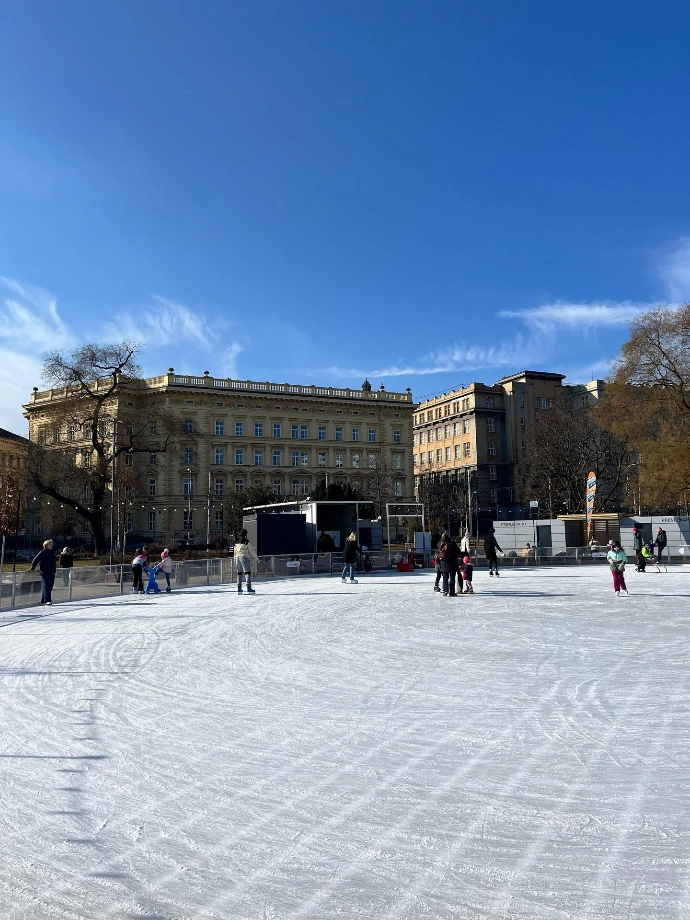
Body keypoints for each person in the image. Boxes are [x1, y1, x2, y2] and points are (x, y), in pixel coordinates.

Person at [30, 539, 57, 606]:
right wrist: (32, 567)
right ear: (46, 545)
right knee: (47, 586)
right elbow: (36, 559)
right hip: (45, 572)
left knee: (50, 586)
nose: (51, 546)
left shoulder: (52, 552)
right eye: (50, 544)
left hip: (52, 572)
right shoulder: (43, 552)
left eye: (52, 545)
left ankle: (43, 600)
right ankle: (47, 600)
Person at [436, 532, 460, 596]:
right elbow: (458, 552)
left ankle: (445, 591)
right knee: (452, 577)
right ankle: (452, 592)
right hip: (452, 563)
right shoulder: (452, 544)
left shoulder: (440, 544)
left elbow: (439, 554)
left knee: (445, 578)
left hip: (443, 563)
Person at [234, 529, 257, 594]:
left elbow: (235, 552)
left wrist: (235, 559)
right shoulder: (246, 541)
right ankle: (248, 588)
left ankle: (239, 588)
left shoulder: (236, 542)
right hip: (244, 557)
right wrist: (256, 558)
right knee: (247, 573)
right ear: (246, 534)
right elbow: (252, 550)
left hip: (237, 557)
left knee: (239, 573)